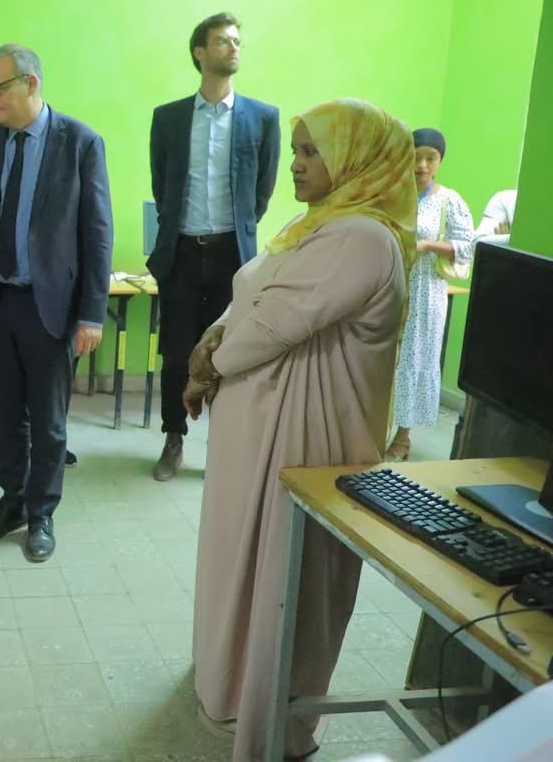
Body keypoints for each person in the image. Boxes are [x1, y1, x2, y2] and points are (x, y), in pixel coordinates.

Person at [187, 98, 416, 761]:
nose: (296, 163)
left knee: (284, 579)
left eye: (312, 151)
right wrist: (209, 343)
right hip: (259, 431)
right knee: (242, 562)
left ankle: (270, 716)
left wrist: (208, 365)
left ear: (357, 160)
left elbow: (275, 323)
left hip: (304, 441)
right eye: (297, 150)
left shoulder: (362, 237)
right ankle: (228, 686)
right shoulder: (318, 225)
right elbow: (251, 298)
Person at [0, 44, 114, 563]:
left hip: (52, 307)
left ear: (32, 84)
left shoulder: (80, 142)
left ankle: (42, 513)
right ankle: (12, 500)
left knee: (47, 420)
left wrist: (91, 313)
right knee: (4, 415)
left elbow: (97, 233)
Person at [144, 11, 281, 481]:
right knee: (176, 352)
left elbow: (261, 194)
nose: (233, 47)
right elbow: (162, 187)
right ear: (199, 52)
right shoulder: (168, 118)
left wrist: (236, 229)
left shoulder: (262, 118)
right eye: (223, 40)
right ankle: (173, 439)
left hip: (231, 256)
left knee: (229, 351)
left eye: (237, 40)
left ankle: (224, 445)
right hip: (181, 253)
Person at [385, 129, 474, 461]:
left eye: (430, 158)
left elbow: (466, 246)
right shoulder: (392, 193)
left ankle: (403, 436)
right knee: (382, 357)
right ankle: (374, 427)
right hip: (389, 284)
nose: (422, 165)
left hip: (425, 291)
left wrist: (426, 245)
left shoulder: (449, 200)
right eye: (416, 156)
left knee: (415, 357)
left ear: (440, 161)